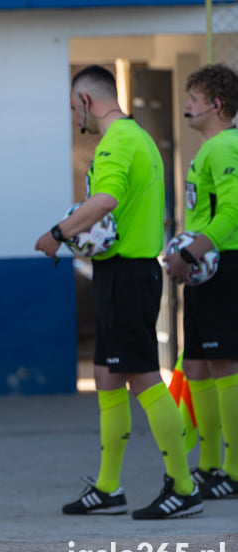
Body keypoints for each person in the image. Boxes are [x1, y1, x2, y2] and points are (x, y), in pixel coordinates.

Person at [35, 65, 203, 520]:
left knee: (145, 377)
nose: (76, 119)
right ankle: (109, 488)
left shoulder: (116, 142)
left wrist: (58, 232)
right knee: (107, 377)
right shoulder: (141, 138)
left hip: (128, 276)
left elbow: (104, 200)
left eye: (75, 108)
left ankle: (184, 487)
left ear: (87, 102)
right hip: (119, 274)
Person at [164, 63, 238, 499]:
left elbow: (232, 212)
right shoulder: (208, 149)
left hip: (223, 263)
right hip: (204, 268)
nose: (186, 105)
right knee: (195, 366)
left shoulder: (225, 147)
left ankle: (231, 468)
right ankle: (210, 463)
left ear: (216, 104)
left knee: (224, 362)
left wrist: (191, 252)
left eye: (193, 98)